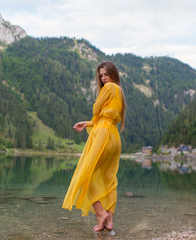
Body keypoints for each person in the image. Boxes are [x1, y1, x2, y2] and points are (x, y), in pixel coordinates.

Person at [62, 61, 126, 232]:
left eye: (106, 74)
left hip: (103, 134)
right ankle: (110, 218)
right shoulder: (120, 91)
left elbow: (97, 108)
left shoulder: (109, 88)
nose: (104, 78)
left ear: (113, 73)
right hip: (113, 135)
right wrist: (88, 123)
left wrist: (94, 115)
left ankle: (100, 212)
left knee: (85, 173)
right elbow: (110, 116)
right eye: (101, 76)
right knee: (109, 179)